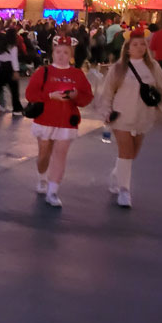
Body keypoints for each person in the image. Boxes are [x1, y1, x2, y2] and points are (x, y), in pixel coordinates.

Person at [97, 27, 162, 208]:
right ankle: (124, 191)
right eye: (135, 44)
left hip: (143, 116)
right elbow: (107, 92)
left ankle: (117, 175)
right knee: (125, 153)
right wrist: (106, 111)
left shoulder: (153, 67)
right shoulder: (118, 68)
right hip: (121, 116)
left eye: (143, 44)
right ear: (128, 48)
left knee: (132, 154)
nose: (140, 47)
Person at [24, 37, 94, 208]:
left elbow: (87, 97)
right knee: (44, 154)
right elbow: (30, 94)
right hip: (45, 120)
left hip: (66, 122)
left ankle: (53, 191)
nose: (62, 55)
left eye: (66, 52)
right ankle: (42, 177)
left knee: (60, 155)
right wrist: (49, 96)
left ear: (71, 55)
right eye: (58, 52)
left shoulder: (77, 74)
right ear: (53, 53)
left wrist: (76, 96)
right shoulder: (43, 71)